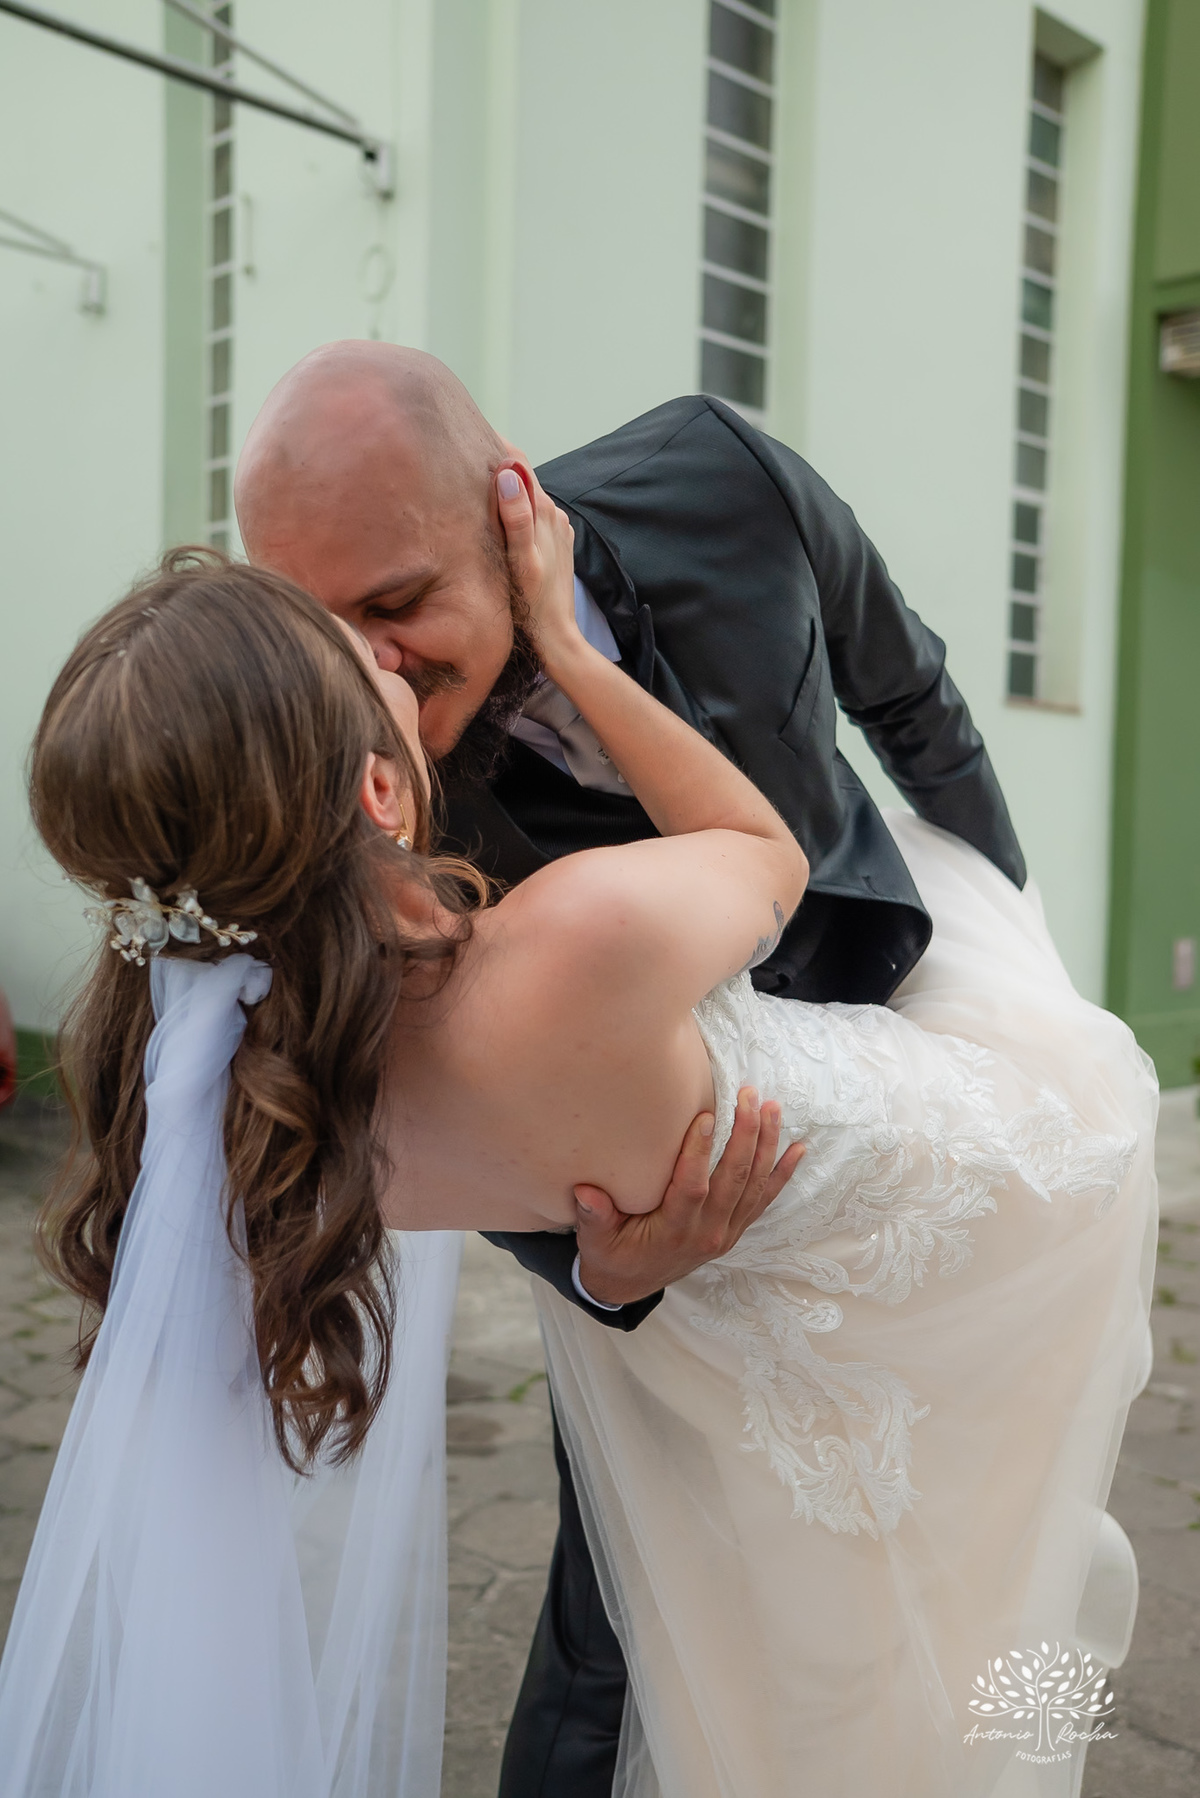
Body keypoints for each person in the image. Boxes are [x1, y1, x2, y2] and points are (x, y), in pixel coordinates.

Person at [8, 478, 1153, 1793]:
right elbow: (763, 850)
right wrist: (559, 640)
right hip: (963, 1198)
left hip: (718, 1344)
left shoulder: (275, 1100)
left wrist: (610, 1272)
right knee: (965, 1588)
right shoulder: (572, 945)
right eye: (355, 659)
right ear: (384, 792)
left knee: (817, 1661)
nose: (383, 650)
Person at [233, 342, 1031, 1798]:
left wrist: (1016, 944)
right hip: (654, 1233)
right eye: (322, 623)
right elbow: (450, 1094)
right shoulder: (365, 776)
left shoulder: (718, 477)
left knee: (948, 1533)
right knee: (615, 1601)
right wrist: (610, 1270)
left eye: (397, 605)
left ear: (508, 506)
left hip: (896, 1077)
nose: (373, 670)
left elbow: (909, 698)